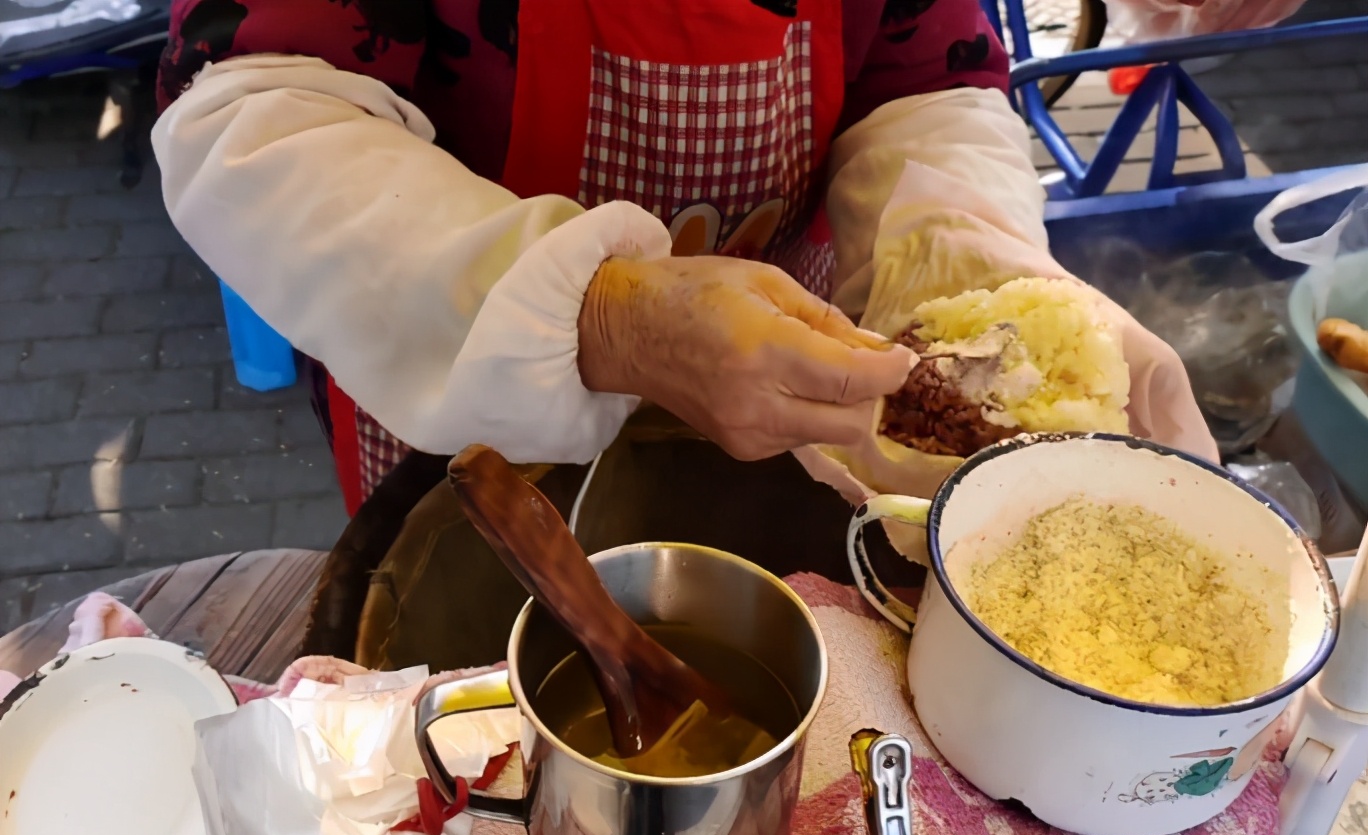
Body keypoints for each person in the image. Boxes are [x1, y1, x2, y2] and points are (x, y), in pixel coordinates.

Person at [152, 0, 1215, 516]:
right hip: (461, 396)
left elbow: (920, 75)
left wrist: (965, 278)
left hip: (784, 413)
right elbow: (247, 114)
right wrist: (598, 316)